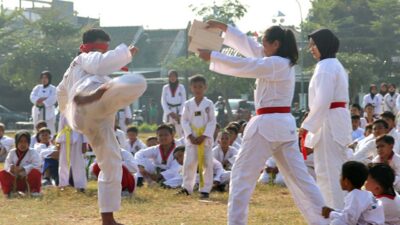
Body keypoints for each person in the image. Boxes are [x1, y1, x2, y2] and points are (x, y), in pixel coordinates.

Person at [199, 20, 327, 225]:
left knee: (241, 178)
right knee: (301, 180)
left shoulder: (275, 63)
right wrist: (225, 29)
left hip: (266, 126)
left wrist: (212, 56)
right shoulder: (280, 62)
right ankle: (328, 219)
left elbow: (247, 65)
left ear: (275, 44)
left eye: (265, 44)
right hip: (283, 127)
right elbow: (251, 48)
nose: (262, 48)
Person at [56, 28, 147, 225]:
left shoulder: (69, 74)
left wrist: (71, 115)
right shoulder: (84, 58)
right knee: (137, 81)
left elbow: (60, 95)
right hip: (88, 102)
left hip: (91, 117)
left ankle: (108, 218)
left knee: (112, 163)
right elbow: (101, 62)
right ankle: (96, 94)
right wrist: (126, 54)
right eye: (102, 48)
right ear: (88, 47)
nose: (103, 52)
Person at [300, 28, 352, 209]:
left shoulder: (326, 67)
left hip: (328, 121)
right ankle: (340, 211)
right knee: (335, 170)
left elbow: (322, 101)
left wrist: (306, 126)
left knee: (329, 173)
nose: (311, 49)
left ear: (323, 44)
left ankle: (335, 214)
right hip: (334, 119)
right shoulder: (334, 64)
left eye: (314, 44)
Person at [178, 75, 216, 199]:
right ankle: (187, 188)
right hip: (192, 139)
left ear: (205, 88)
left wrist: (204, 135)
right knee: (189, 163)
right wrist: (189, 135)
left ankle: (205, 190)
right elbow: (184, 121)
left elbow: (212, 121)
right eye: (195, 87)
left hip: (205, 139)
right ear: (191, 88)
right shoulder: (188, 104)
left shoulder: (208, 103)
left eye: (200, 86)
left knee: (207, 163)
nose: (198, 89)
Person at [0, 131, 42, 197]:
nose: (23, 144)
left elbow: (37, 165)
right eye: (20, 141)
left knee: (35, 172)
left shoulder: (33, 152)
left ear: (29, 143)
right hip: (15, 181)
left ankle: (34, 192)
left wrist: (23, 169)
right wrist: (11, 168)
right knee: (3, 173)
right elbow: (6, 165)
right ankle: (10, 193)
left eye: (25, 141)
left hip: (27, 180)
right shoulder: (12, 152)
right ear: (16, 142)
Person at [56, 115, 88, 191]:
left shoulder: (82, 110)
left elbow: (85, 128)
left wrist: (85, 142)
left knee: (78, 163)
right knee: (63, 162)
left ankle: (80, 185)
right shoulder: (64, 110)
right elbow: (60, 126)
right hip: (65, 137)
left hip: (78, 137)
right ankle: (63, 184)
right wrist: (58, 141)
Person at [161, 70, 187, 138]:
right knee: (168, 131)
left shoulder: (181, 87)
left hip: (178, 112)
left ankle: (181, 147)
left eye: (174, 76)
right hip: (169, 112)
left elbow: (184, 101)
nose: (172, 78)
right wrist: (169, 112)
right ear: (168, 77)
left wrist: (180, 114)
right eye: (170, 76)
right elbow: (163, 101)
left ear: (177, 77)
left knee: (180, 132)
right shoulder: (165, 88)